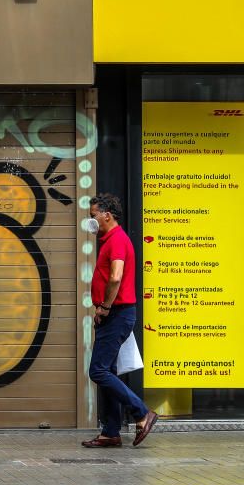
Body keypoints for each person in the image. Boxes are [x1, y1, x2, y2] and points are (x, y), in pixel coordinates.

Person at [82, 192, 158, 449]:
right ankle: (110, 433)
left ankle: (141, 412)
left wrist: (104, 306)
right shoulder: (112, 239)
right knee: (108, 370)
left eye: (93, 216)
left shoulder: (116, 240)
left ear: (107, 215)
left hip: (116, 313)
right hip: (116, 313)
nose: (91, 221)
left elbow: (115, 277)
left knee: (98, 370)